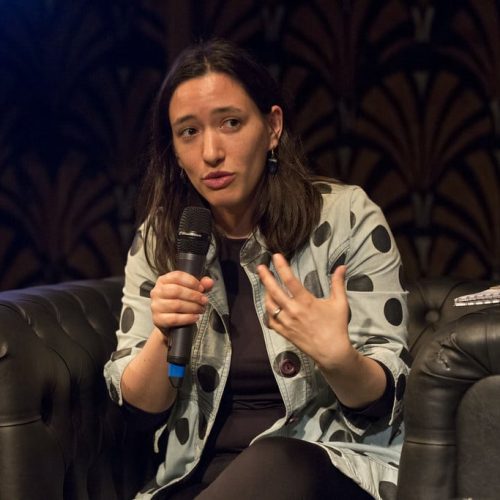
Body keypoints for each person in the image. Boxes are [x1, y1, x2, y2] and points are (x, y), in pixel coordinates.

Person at [104, 38, 409, 500]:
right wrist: (164, 335)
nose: (211, 152)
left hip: (323, 469)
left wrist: (339, 359)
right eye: (189, 132)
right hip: (196, 479)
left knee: (275, 459)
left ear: (272, 127)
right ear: (175, 151)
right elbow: (142, 412)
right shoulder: (161, 238)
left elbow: (388, 398)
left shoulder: (347, 218)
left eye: (230, 123)